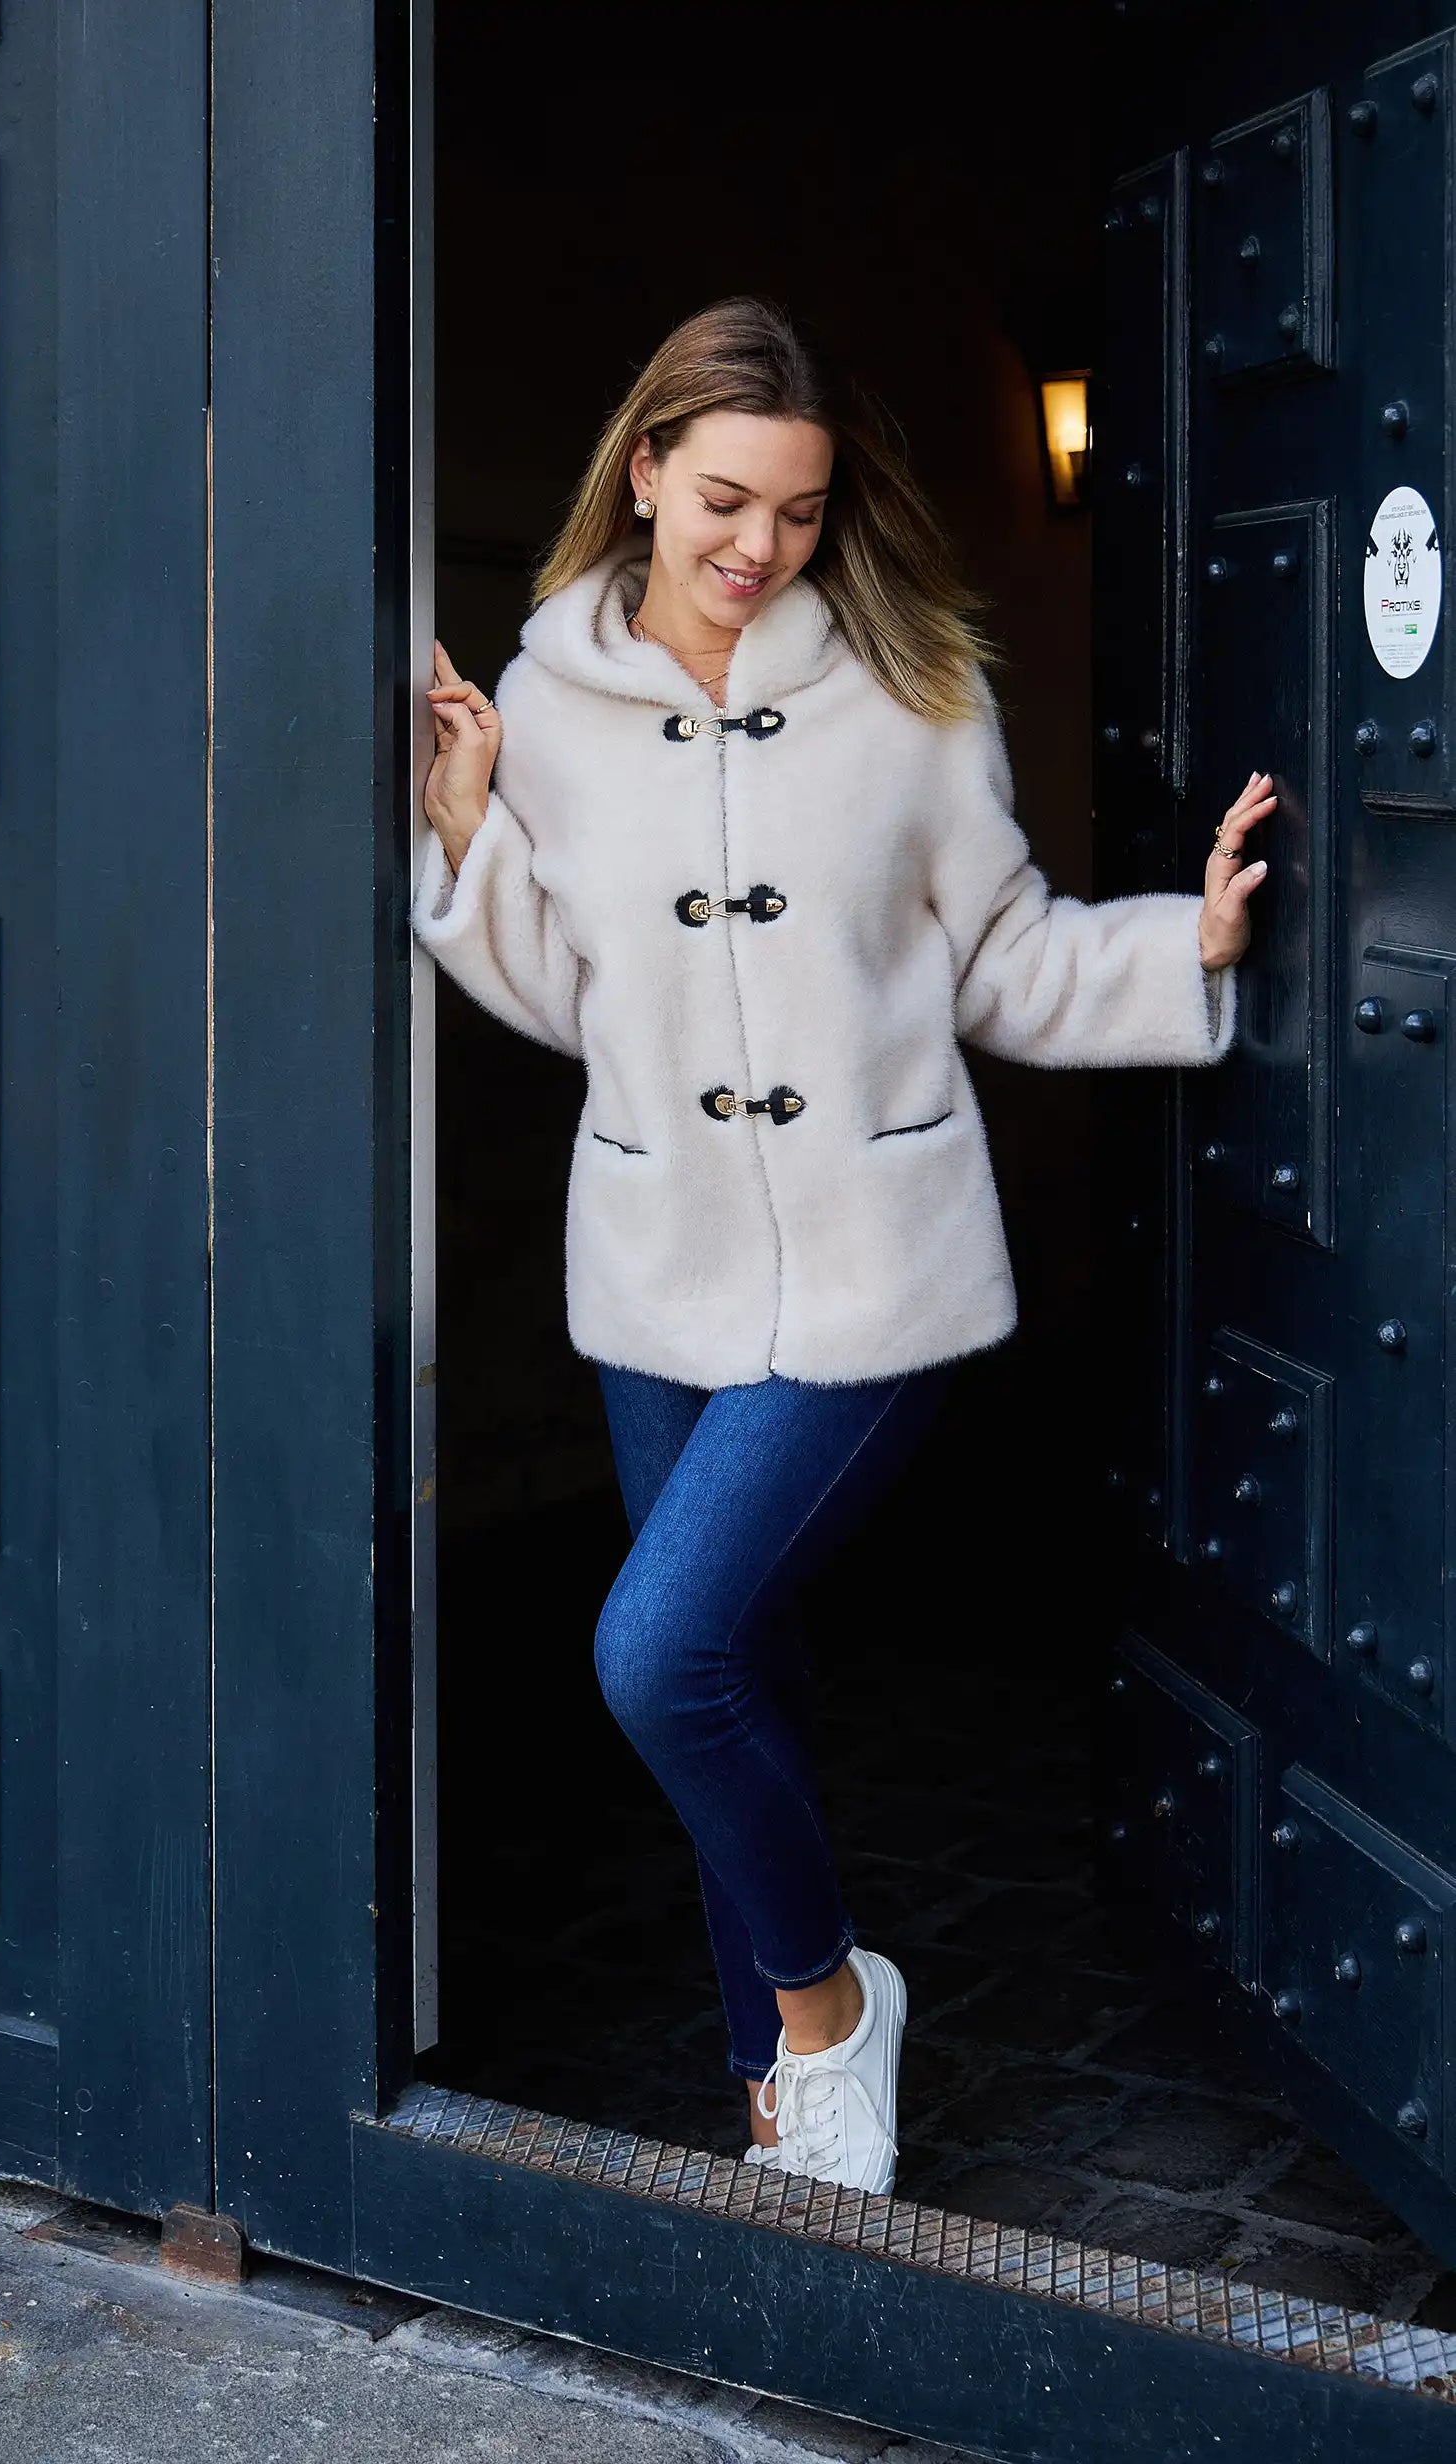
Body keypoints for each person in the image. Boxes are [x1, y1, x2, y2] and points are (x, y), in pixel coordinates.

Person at [413, 297, 1272, 2196]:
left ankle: (823, 2009)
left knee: (661, 1650)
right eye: (724, 498)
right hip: (654, 1265)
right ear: (642, 470)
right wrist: (470, 843)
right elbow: (573, 997)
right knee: (748, 1675)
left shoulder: (907, 687)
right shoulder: (549, 704)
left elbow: (1000, 951)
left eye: (797, 512)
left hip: (877, 1267)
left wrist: (1179, 950)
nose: (756, 546)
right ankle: (781, 2106)